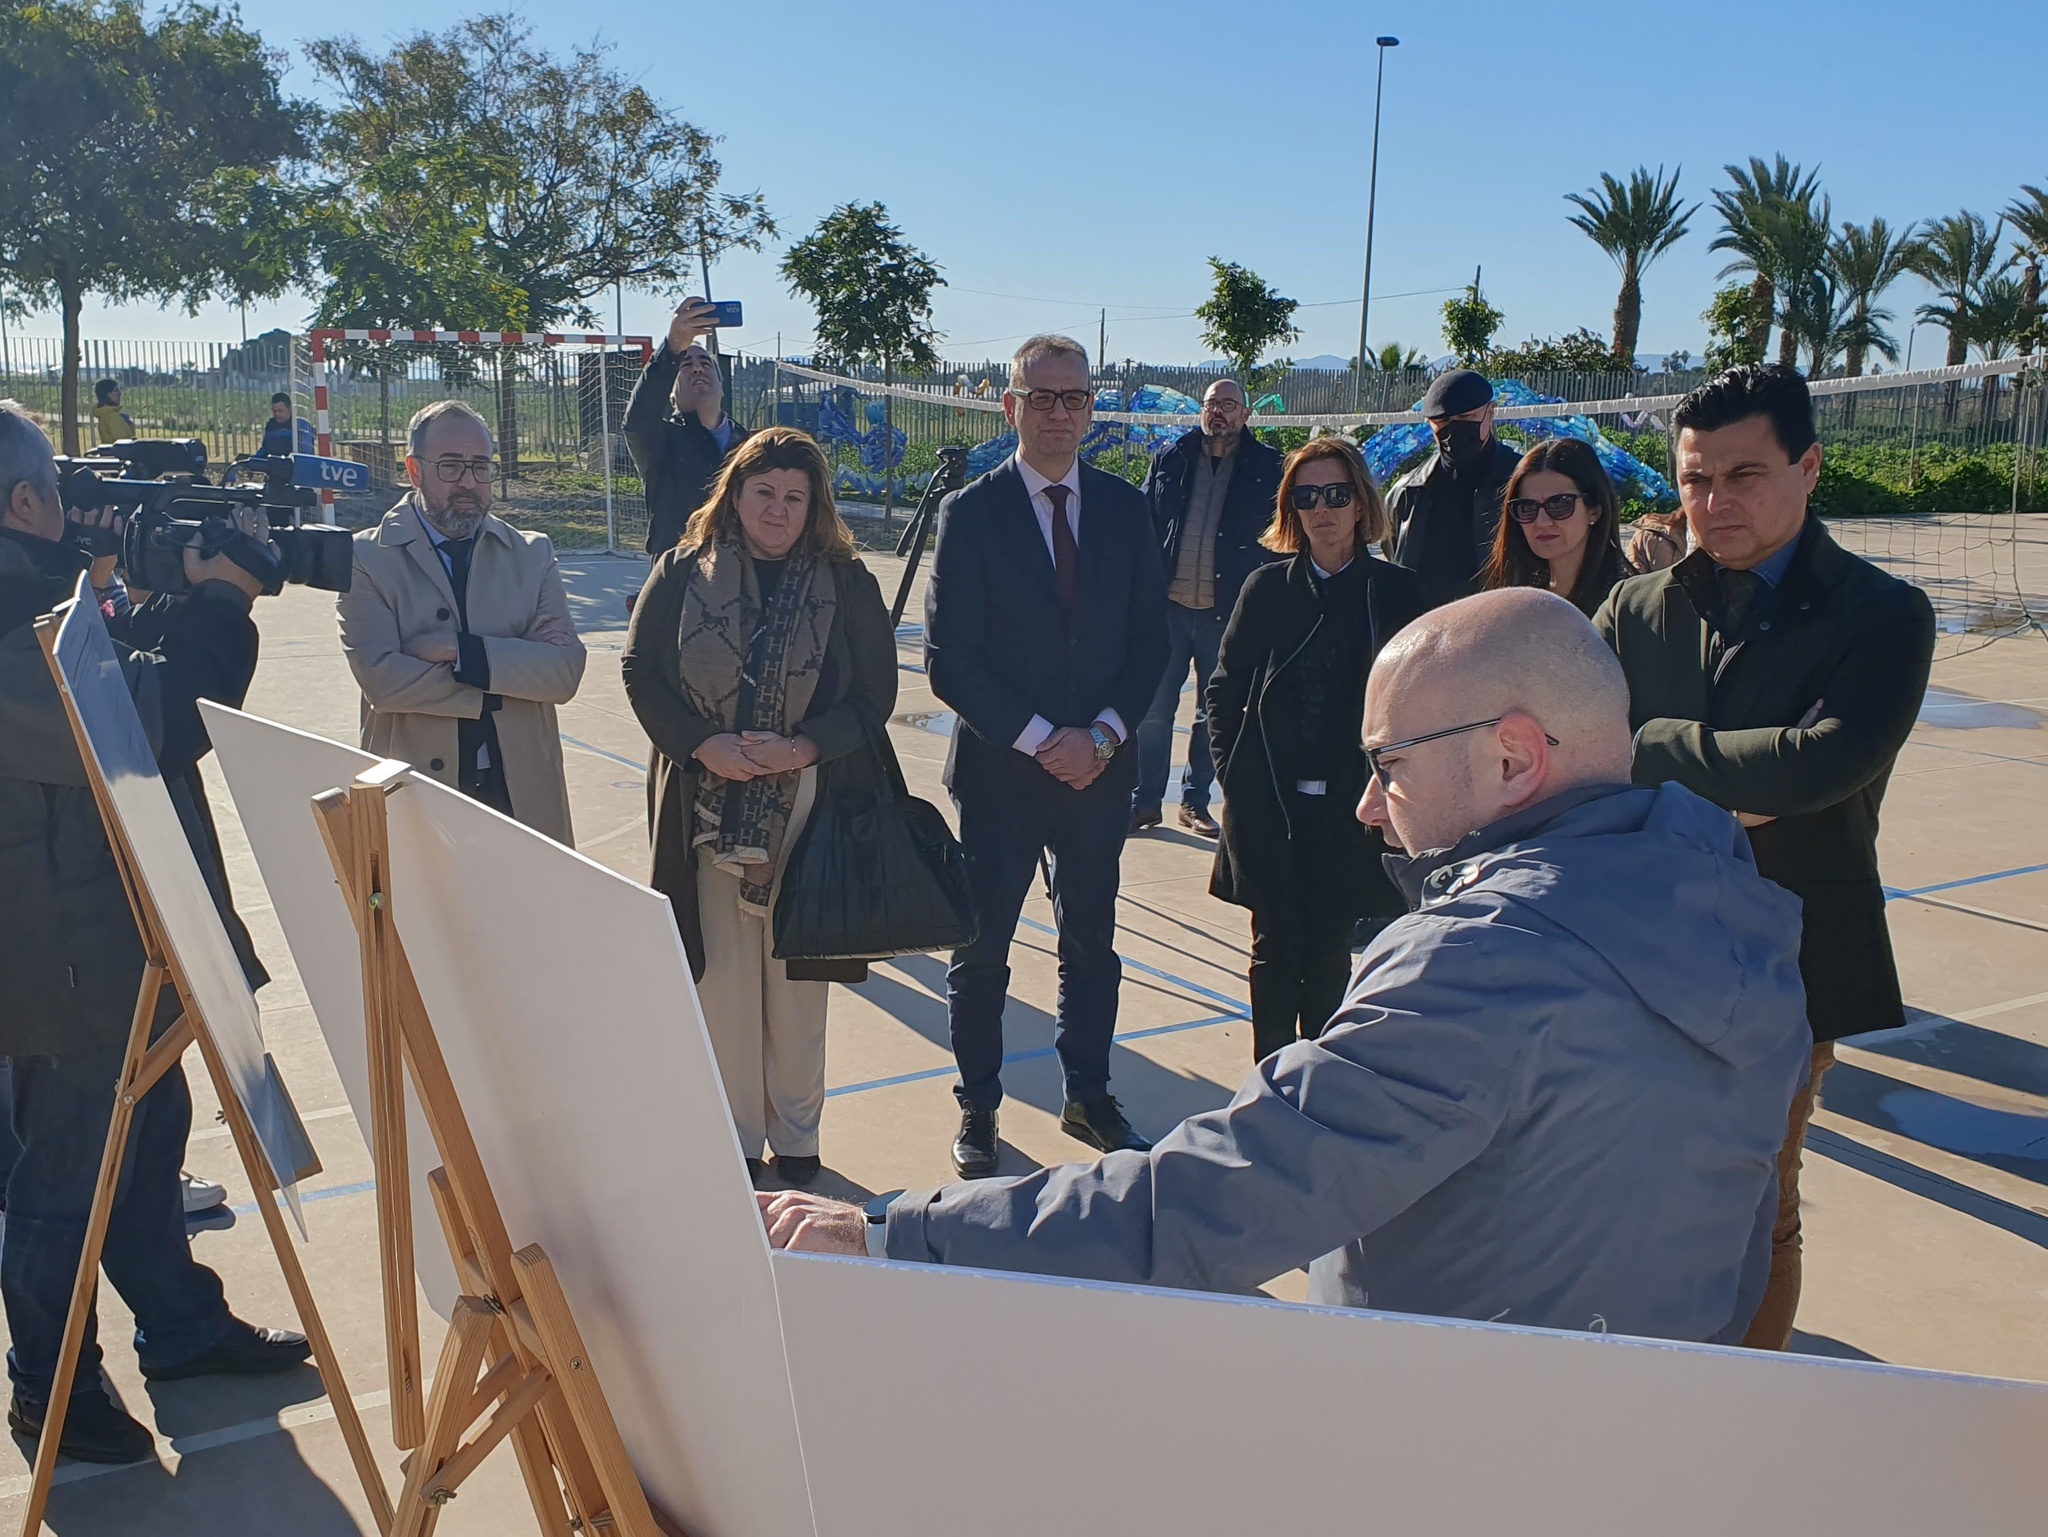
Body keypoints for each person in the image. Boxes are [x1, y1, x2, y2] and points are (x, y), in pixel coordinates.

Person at [761, 588, 1810, 1347]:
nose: (1366, 807)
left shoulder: (1486, 963)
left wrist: (903, 1237)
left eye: (1388, 766)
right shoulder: (1726, 910)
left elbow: (1215, 1201)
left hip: (1447, 1452)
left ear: (1511, 756)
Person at [1594, 364, 1936, 1351]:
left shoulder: (1880, 613)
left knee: (1755, 1201)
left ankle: (1746, 1395)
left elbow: (1813, 767)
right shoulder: (1636, 609)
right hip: (1642, 947)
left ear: (1809, 466)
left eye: (1742, 474)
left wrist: (1648, 749)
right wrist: (1731, 782)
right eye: (1696, 478)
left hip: (1786, 959)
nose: (1713, 501)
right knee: (1631, 1183)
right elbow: (1576, 753)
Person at [0, 401, 312, 1465]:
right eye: (58, 490)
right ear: (25, 500)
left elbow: (119, 657)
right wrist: (224, 600)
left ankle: (179, 1326)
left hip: (108, 931)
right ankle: (50, 1390)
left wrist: (164, 591)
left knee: (144, 1142)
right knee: (64, 1179)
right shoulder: (15, 619)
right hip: (62, 952)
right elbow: (149, 720)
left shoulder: (37, 595)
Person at [923, 335, 1170, 1177]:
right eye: (1043, 396)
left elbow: (1151, 642)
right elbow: (948, 658)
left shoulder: (1128, 509)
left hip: (1099, 779)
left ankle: (1089, 1095)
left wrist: (1099, 737)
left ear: (1092, 407)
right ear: (1011, 405)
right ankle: (979, 1108)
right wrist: (1041, 739)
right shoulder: (972, 511)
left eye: (1075, 397)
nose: (1060, 412)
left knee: (1092, 947)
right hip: (1001, 775)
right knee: (982, 950)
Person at [621, 428, 895, 1186]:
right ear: (734, 495)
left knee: (797, 982)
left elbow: (877, 696)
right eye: (763, 492)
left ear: (815, 508)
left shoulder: (849, 583)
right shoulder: (681, 571)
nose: (778, 510)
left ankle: (797, 1135)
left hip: (811, 804)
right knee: (726, 981)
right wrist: (703, 743)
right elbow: (641, 670)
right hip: (706, 802)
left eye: (794, 497)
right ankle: (738, 1137)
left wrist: (806, 745)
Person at [1207, 436, 1425, 1062]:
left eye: (1336, 494)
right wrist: (1235, 778)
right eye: (1307, 497)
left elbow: (1420, 704)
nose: (1322, 509)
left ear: (1361, 503)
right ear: (1291, 509)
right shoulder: (1266, 589)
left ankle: (1318, 1092)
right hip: (1271, 807)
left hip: (1351, 812)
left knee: (1331, 953)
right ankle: (1268, 1093)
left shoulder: (1399, 594)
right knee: (1272, 951)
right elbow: (1225, 688)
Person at [338, 400, 587, 843]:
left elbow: (564, 673)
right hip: (414, 795)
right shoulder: (365, 558)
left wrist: (458, 651)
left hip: (521, 795)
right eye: (451, 466)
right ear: (414, 471)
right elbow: (383, 682)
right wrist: (511, 676)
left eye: (480, 466)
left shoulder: (533, 555)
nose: (469, 483)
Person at [1131, 379, 1282, 838]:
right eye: (1212, 404)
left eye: (1228, 405)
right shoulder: (1170, 459)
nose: (1218, 412)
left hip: (1229, 613)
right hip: (1169, 610)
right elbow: (1143, 527)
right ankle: (1145, 801)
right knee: (1153, 710)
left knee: (1211, 713)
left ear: (1245, 415)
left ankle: (1195, 802)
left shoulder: (1269, 468)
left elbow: (1281, 540)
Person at [1385, 368, 1522, 610]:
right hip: (1427, 635)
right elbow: (1395, 554)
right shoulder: (1406, 493)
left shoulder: (1524, 483)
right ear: (1429, 424)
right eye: (1444, 421)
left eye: (1466, 418)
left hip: (1502, 631)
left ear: (1490, 413)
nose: (1454, 429)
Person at [624, 298, 752, 556]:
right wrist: (673, 348)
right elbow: (637, 422)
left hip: (742, 579)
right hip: (679, 581)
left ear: (721, 385)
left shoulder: (750, 445)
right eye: (685, 364)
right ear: (671, 396)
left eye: (705, 364)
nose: (697, 369)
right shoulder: (660, 442)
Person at [1480, 437, 1631, 617]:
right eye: (1527, 507)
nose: (1542, 522)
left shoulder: (1627, 602)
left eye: (1559, 504)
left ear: (1594, 511)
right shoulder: (1516, 599)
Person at [258, 392, 313, 459]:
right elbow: (265, 448)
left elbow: (308, 454)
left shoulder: (302, 427)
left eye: (280, 411)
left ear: (289, 409)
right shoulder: (270, 425)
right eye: (274, 411)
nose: (277, 414)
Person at [92, 379, 133, 446]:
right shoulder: (111, 416)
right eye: (116, 390)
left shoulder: (107, 414)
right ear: (107, 394)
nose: (120, 393)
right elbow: (123, 440)